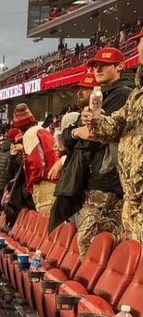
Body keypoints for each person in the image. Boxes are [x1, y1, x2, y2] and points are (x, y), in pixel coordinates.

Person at [61, 47, 133, 255]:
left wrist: (85, 131)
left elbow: (97, 136)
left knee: (91, 240)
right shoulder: (100, 95)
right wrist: (77, 133)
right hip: (95, 176)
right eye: (95, 66)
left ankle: (98, 286)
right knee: (95, 239)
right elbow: (70, 137)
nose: (98, 69)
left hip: (108, 178)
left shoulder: (122, 95)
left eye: (104, 65)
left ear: (119, 66)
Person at [80, 28, 143, 242]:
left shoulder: (125, 93)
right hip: (131, 190)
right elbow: (114, 125)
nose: (138, 47)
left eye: (140, 41)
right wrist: (94, 120)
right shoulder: (136, 95)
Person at [11, 103, 59, 215]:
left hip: (45, 185)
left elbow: (38, 164)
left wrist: (34, 183)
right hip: (54, 182)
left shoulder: (29, 135)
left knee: (47, 226)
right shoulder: (42, 130)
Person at [0, 128, 22, 209]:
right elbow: (10, 169)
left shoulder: (3, 151)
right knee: (9, 212)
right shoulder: (13, 151)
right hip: (5, 187)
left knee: (3, 211)